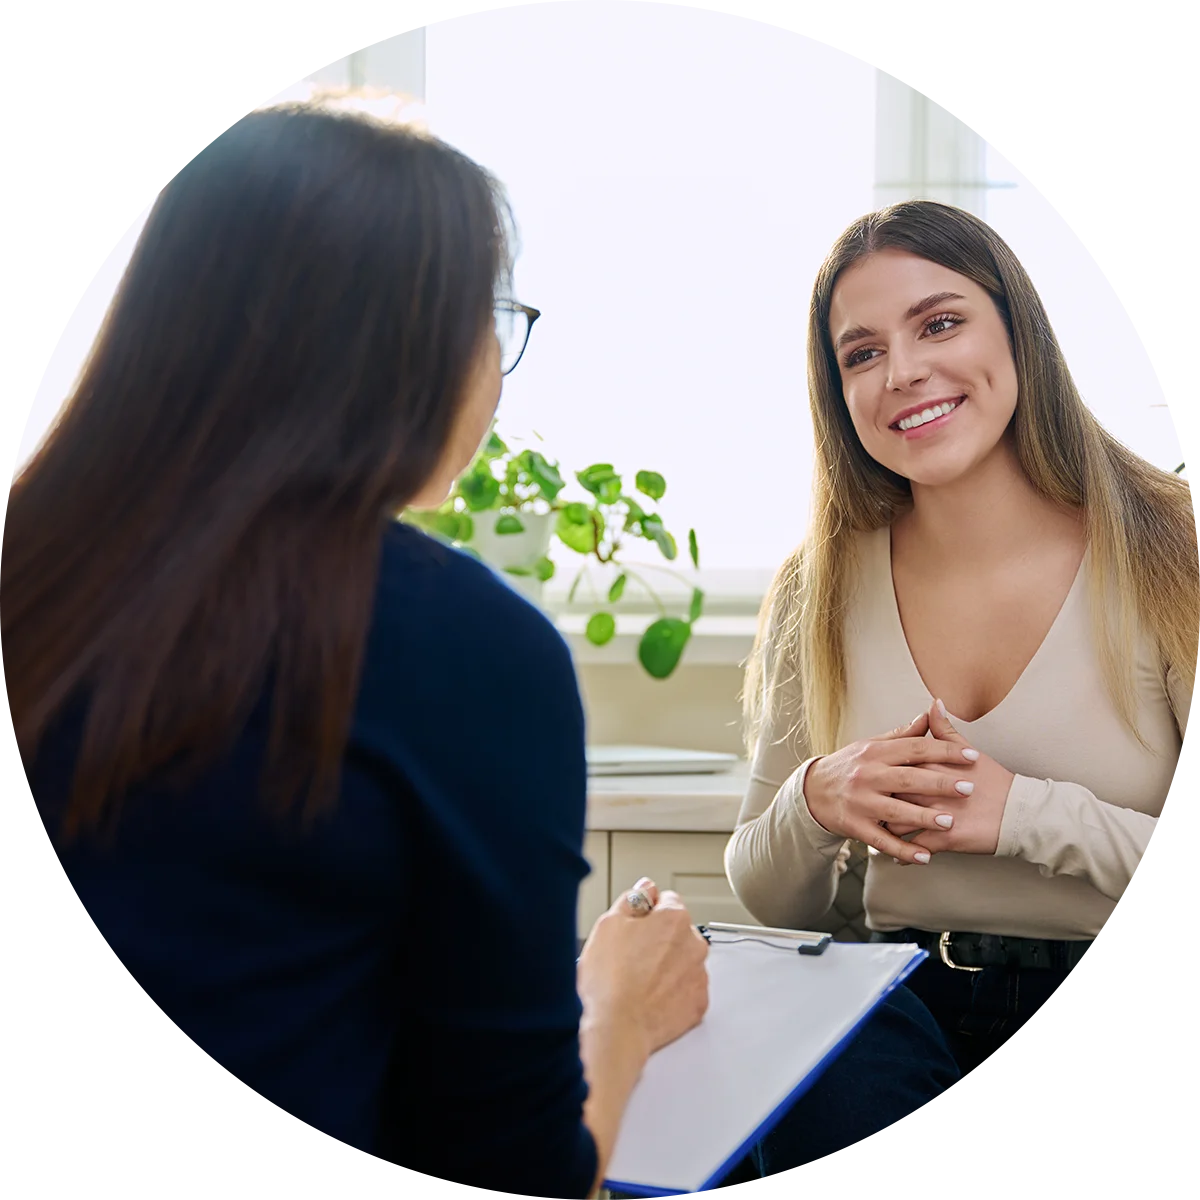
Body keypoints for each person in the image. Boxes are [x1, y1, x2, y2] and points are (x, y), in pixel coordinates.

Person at [0, 103, 956, 1199]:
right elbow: (520, 1172)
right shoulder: (457, 644)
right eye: (493, 323)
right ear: (414, 345)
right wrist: (622, 1010)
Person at [728, 199, 1200, 1081]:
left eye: (939, 323)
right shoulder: (819, 583)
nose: (902, 371)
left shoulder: (1174, 554)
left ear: (1017, 331)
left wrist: (1019, 814)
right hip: (894, 1008)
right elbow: (766, 893)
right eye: (862, 353)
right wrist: (817, 797)